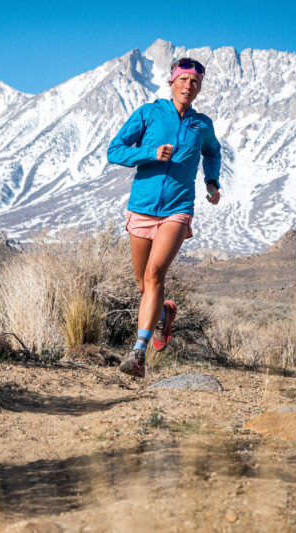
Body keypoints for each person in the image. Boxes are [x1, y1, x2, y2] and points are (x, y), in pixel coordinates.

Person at [106, 57, 222, 378]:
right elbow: (114, 150)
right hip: (141, 208)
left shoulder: (202, 126)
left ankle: (137, 354)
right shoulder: (149, 114)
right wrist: (149, 153)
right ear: (171, 83)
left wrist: (212, 181)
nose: (188, 86)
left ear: (199, 89)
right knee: (144, 284)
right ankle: (163, 316)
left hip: (177, 209)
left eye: (195, 83)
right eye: (183, 80)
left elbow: (212, 152)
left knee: (155, 275)